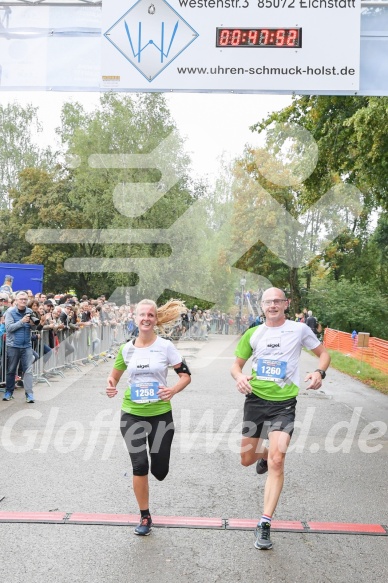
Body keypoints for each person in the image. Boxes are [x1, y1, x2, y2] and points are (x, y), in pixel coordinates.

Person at [230, 287, 330, 550]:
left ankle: (264, 523)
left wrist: (320, 372)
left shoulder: (299, 330)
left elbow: (324, 354)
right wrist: (239, 377)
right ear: (261, 306)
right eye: (267, 302)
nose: (272, 305)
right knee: (246, 459)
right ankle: (262, 456)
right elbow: (236, 365)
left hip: (284, 404)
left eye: (277, 301)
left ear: (286, 304)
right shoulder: (253, 333)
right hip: (255, 400)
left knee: (278, 459)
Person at [106, 299, 191, 536]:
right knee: (140, 464)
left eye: (150, 315)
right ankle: (145, 516)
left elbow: (185, 376)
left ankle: (159, 466)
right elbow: (113, 377)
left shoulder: (166, 346)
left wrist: (172, 390)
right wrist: (111, 386)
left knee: (160, 471)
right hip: (131, 413)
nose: (146, 319)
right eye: (142, 315)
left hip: (160, 415)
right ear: (135, 318)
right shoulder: (126, 349)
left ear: (155, 319)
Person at [3, 291, 36, 403]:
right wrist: (22, 321)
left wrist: (33, 324)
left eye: (25, 299)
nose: (23, 301)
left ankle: (29, 394)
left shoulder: (29, 311)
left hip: (26, 345)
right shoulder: (10, 312)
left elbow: (33, 328)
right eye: (21, 299)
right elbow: (9, 328)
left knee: (28, 370)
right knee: (11, 370)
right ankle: (9, 392)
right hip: (13, 345)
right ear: (16, 301)